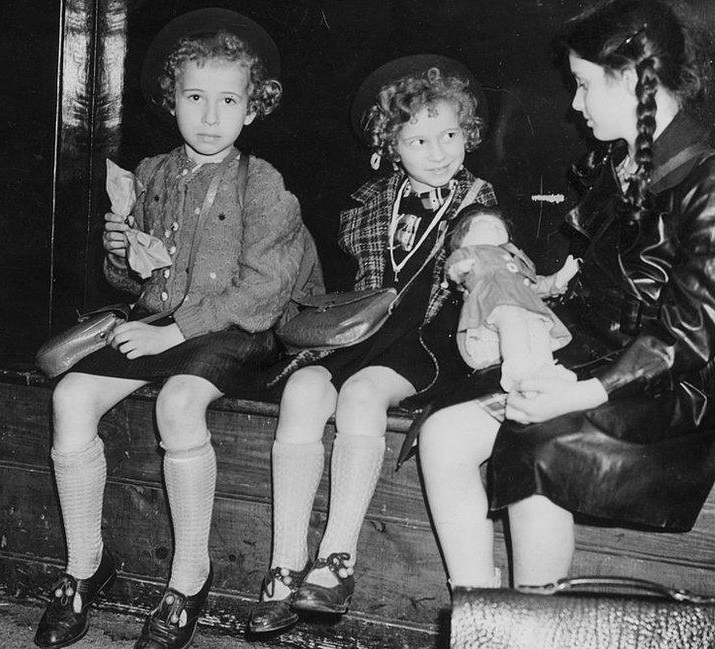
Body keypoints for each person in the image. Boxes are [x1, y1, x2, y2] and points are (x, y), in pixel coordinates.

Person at [417, 0, 715, 592]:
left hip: (675, 380)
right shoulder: (617, 159)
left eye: (582, 85)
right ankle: (483, 614)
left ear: (630, 79)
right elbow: (596, 276)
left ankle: (536, 621)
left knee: (536, 445)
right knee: (441, 436)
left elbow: (689, 336)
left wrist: (575, 392)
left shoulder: (710, 182)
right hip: (594, 351)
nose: (573, 105)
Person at [34, 9, 319, 649]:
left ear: (253, 109)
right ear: (173, 100)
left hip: (239, 331)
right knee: (70, 396)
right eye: (195, 97)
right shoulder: (153, 174)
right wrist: (122, 256)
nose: (210, 117)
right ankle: (85, 567)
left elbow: (266, 291)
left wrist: (174, 330)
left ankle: (189, 578)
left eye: (228, 101)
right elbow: (138, 288)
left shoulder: (261, 182)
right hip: (163, 323)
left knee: (180, 400)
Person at [246, 55, 497, 634]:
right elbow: (346, 290)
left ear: (468, 133)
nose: (439, 152)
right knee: (305, 389)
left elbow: (485, 270)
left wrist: (477, 257)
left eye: (451, 134)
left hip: (432, 341)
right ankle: (284, 565)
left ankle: (337, 561)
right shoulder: (368, 204)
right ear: (390, 145)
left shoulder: (478, 204)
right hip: (365, 334)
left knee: (359, 396)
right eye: (419, 139)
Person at [444, 204, 578, 401]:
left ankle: (545, 372)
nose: (493, 226)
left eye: (499, 226)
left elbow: (533, 286)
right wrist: (459, 268)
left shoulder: (516, 262)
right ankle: (518, 373)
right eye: (484, 223)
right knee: (511, 319)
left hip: (525, 305)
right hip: (492, 305)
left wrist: (559, 278)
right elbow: (452, 269)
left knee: (539, 328)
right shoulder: (470, 253)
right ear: (463, 238)